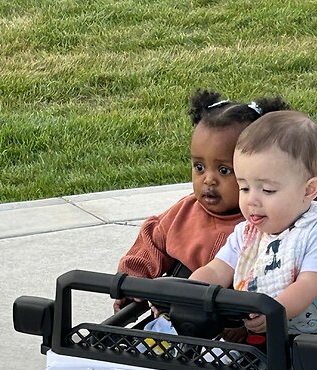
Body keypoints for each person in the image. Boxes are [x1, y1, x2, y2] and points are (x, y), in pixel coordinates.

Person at [186, 110, 317, 337]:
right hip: (288, 338)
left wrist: (272, 312)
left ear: (308, 190)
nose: (251, 200)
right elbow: (217, 270)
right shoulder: (247, 234)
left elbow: (306, 288)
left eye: (267, 190)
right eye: (244, 187)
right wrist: (187, 293)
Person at [113, 89, 290, 313]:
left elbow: (277, 279)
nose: (209, 180)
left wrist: (243, 322)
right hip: (177, 321)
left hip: (239, 330)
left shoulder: (267, 225)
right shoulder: (183, 213)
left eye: (224, 170)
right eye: (199, 167)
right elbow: (151, 244)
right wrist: (132, 282)